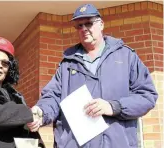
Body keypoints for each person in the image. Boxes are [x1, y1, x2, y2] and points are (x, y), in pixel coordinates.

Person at [27, 3, 158, 148]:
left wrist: (113, 106)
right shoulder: (67, 64)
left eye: (88, 23)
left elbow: (147, 96)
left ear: (101, 24)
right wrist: (41, 112)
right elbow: (52, 96)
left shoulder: (126, 57)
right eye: (79, 26)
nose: (84, 29)